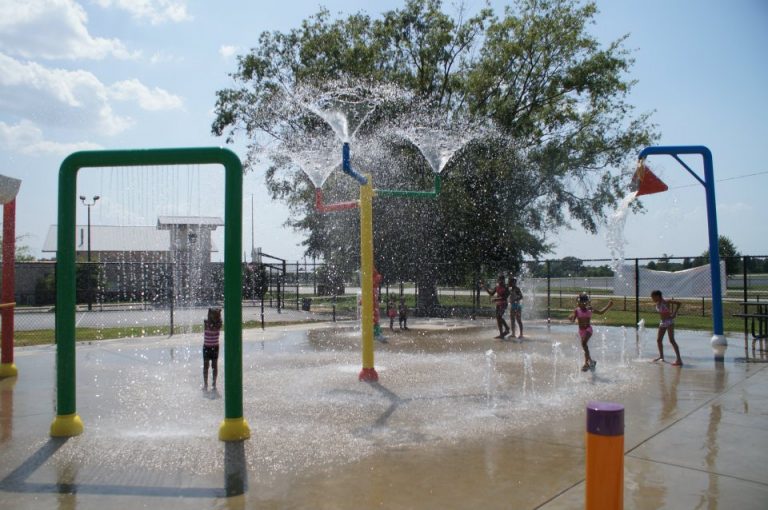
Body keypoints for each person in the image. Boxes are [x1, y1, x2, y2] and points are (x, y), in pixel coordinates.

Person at [568, 293, 613, 372]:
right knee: (585, 346)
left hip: (588, 329)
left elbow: (601, 312)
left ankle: (586, 364)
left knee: (584, 344)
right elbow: (572, 320)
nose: (581, 304)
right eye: (579, 303)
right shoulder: (577, 310)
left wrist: (609, 306)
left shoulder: (590, 309)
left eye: (583, 303)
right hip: (581, 331)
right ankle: (591, 362)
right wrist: (570, 318)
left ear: (586, 302)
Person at [650, 290, 683, 366]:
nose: (652, 299)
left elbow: (679, 303)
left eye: (653, 297)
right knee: (659, 340)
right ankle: (661, 356)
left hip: (669, 322)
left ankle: (679, 360)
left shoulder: (666, 302)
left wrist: (674, 313)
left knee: (672, 340)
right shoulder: (658, 303)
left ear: (657, 296)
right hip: (662, 322)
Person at [484, 275, 510, 339]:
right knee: (498, 319)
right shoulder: (497, 287)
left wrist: (496, 299)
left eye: (502, 280)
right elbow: (491, 294)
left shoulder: (506, 288)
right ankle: (501, 334)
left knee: (499, 316)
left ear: (504, 280)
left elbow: (505, 297)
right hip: (498, 304)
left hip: (503, 304)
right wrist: (485, 288)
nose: (500, 281)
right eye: (499, 279)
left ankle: (507, 328)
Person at [203, 307, 222, 391]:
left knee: (214, 366)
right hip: (207, 347)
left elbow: (214, 327)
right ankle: (206, 384)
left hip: (214, 347)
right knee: (206, 366)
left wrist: (214, 313)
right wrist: (210, 311)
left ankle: (214, 384)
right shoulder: (206, 322)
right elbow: (211, 327)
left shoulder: (219, 323)